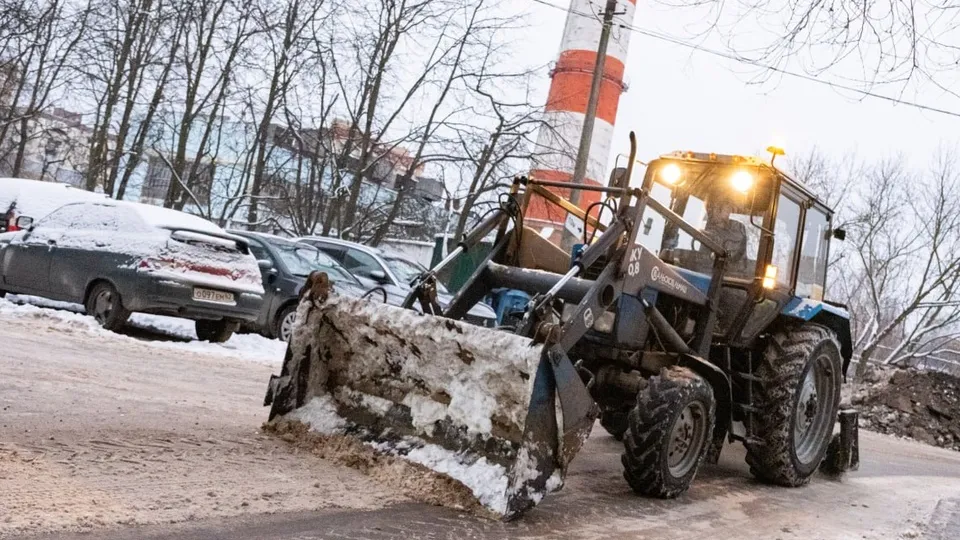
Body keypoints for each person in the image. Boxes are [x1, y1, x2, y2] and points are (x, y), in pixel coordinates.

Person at [701, 195, 748, 272]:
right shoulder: (699, 232)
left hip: (730, 277)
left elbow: (733, 255)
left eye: (716, 207)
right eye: (709, 208)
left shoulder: (738, 230)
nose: (711, 210)